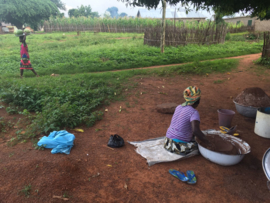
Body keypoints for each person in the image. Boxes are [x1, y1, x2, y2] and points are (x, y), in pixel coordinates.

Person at [164, 86, 208, 155]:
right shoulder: (194, 112)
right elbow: (196, 131)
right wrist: (208, 142)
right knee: (201, 146)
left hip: (167, 142)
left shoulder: (178, 107)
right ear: (198, 100)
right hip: (179, 147)